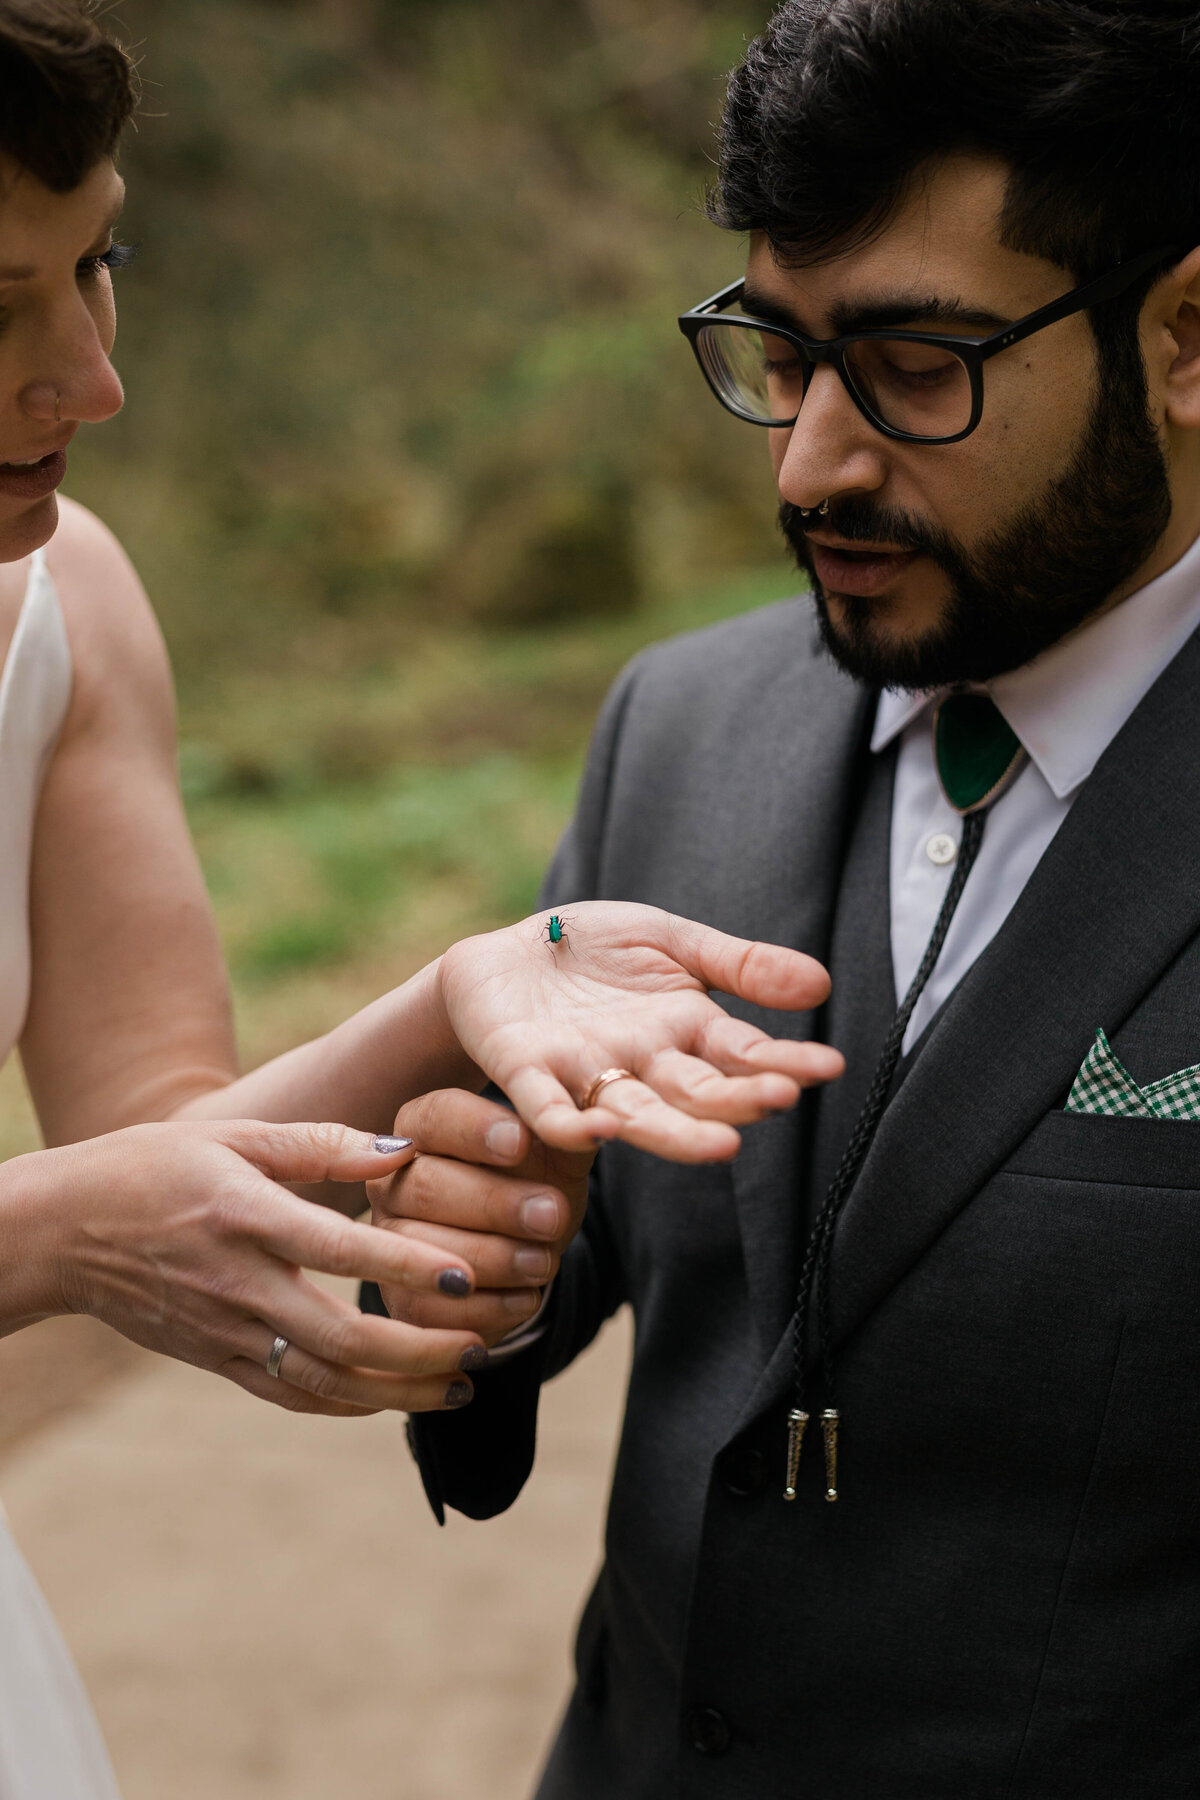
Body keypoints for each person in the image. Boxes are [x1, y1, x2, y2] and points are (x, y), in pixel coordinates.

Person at [0, 4, 847, 1796]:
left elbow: (164, 1141)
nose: (90, 381)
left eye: (102, 264)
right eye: (0, 307)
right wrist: (47, 1240)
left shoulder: (63, 606)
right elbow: (88, 1213)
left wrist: (467, 993)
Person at [378, 2, 1200, 1793]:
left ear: (1185, 338)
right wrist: (483, 1271)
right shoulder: (674, 725)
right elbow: (547, 1275)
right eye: (777, 353)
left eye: (915, 364)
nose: (813, 461)